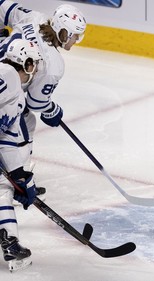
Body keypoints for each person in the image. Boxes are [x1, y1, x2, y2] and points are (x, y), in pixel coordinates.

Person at [0, 1, 87, 195]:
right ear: (63, 33)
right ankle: (16, 184)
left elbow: (2, 6)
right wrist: (52, 110)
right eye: (75, 36)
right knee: (23, 122)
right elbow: (35, 102)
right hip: (6, 92)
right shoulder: (53, 65)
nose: (77, 40)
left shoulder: (34, 17)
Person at [0, 38, 42, 272]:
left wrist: (19, 176)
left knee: (2, 187)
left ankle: (10, 240)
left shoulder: (17, 99)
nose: (34, 70)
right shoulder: (6, 73)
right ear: (24, 64)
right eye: (32, 64)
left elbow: (6, 139)